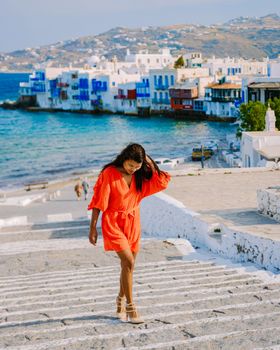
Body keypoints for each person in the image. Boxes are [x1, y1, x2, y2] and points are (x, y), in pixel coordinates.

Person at [88, 143, 171, 324]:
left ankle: (120, 299)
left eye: (137, 166)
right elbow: (98, 201)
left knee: (128, 267)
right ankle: (131, 307)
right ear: (124, 158)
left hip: (133, 222)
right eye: (130, 165)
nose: (133, 169)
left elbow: (162, 181)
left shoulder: (139, 175)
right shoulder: (109, 173)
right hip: (113, 222)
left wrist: (147, 160)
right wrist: (93, 228)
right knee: (129, 261)